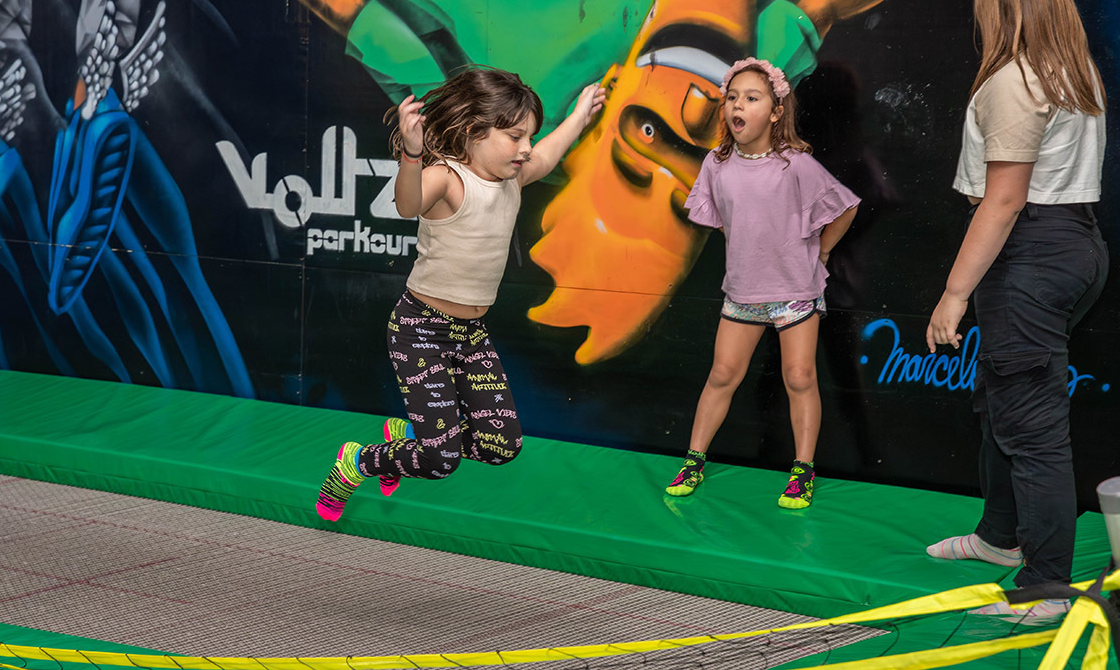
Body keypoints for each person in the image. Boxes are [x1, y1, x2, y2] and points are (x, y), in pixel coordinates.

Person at [316, 67, 605, 521]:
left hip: (470, 335)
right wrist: (412, 155)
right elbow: (408, 204)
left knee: (500, 445)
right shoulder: (448, 179)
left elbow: (548, 155)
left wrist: (581, 115)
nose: (526, 148)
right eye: (515, 137)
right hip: (420, 331)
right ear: (474, 131)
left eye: (529, 136)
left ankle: (411, 438)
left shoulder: (512, 179)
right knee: (440, 460)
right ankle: (360, 461)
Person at [924, 0, 1108, 618]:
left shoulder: (1016, 79)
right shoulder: (1073, 67)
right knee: (1001, 397)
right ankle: (1001, 538)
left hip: (1031, 251)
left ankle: (1047, 588)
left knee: (1030, 424)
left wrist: (953, 293)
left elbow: (1002, 202)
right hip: (1075, 245)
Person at [664, 58, 859, 509]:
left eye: (752, 98)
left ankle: (802, 470)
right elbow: (718, 217)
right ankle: (693, 460)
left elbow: (845, 208)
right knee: (722, 375)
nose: (738, 106)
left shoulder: (796, 166)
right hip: (743, 294)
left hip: (795, 292)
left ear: (775, 111)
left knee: (799, 376)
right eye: (732, 97)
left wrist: (822, 252)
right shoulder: (716, 163)